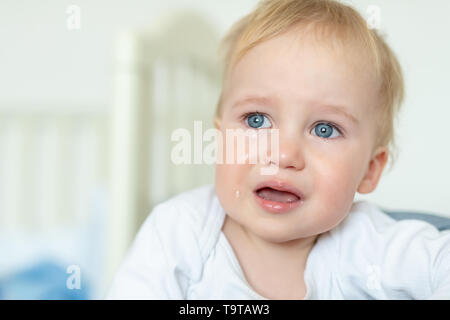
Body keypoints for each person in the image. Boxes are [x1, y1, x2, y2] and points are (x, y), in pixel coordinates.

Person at [106, 0, 450, 299]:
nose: (283, 155)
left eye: (324, 129)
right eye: (256, 120)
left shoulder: (368, 244)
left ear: (371, 170)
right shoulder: (179, 235)